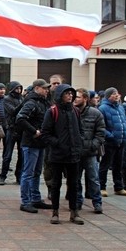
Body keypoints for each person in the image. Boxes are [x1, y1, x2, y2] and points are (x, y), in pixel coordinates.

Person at [41, 84, 84, 225]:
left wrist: (79, 143)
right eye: (67, 94)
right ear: (60, 95)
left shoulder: (75, 111)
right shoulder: (52, 111)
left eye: (71, 94)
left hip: (73, 154)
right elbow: (45, 133)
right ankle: (55, 212)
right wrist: (57, 143)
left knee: (73, 184)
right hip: (57, 155)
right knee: (56, 184)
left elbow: (81, 130)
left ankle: (74, 212)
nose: (70, 96)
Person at [15, 79, 51, 213]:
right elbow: (20, 118)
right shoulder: (31, 102)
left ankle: (35, 199)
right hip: (31, 143)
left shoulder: (43, 102)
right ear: (37, 88)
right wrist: (34, 131)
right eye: (44, 88)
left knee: (36, 172)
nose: (46, 90)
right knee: (28, 173)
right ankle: (25, 201)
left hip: (40, 142)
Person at [74, 88, 106, 214]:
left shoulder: (95, 113)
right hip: (76, 152)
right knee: (75, 179)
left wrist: (94, 144)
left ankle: (97, 202)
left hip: (90, 152)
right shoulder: (72, 112)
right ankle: (77, 201)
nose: (75, 99)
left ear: (85, 99)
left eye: (78, 97)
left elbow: (101, 132)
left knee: (93, 178)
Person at [97, 87, 126, 198]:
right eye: (114, 94)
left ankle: (119, 187)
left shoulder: (120, 108)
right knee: (105, 165)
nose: (116, 96)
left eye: (117, 93)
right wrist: (110, 136)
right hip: (109, 142)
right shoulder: (102, 108)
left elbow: (124, 123)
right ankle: (102, 187)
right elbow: (101, 126)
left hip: (121, 141)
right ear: (108, 96)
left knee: (118, 165)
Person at [0, 81, 24, 185]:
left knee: (21, 155)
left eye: (20, 89)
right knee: (8, 154)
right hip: (11, 129)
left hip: (21, 129)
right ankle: (3, 176)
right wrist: (23, 105)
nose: (18, 91)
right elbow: (13, 112)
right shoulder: (6, 99)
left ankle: (19, 176)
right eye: (16, 89)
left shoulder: (21, 99)